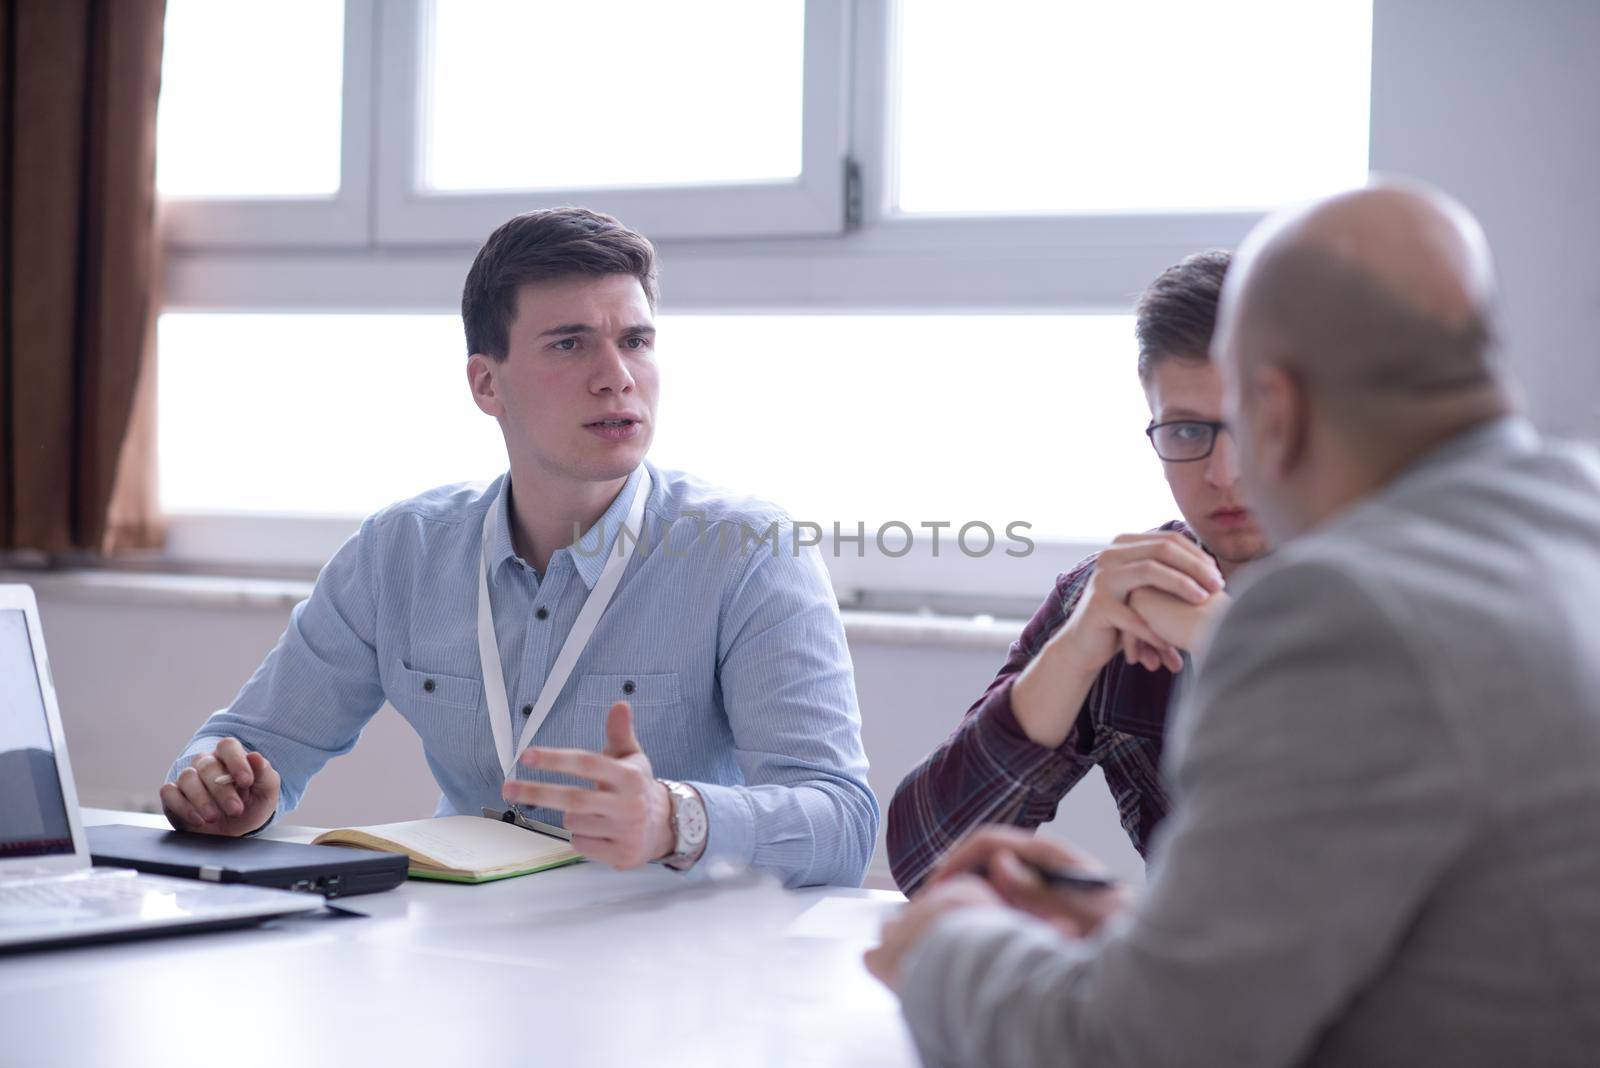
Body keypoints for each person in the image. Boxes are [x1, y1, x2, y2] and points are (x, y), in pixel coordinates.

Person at [866, 180, 1600, 1065]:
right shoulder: (1570, 522)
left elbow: (1137, 1048)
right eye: (1182, 433)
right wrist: (1141, 925)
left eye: (1237, 424)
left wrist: (949, 947)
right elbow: (1427, 924)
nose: (1221, 474)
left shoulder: (1339, 616)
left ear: (1278, 414)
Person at [159, 207, 879, 888]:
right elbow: (250, 743)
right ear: (485, 383)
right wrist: (219, 788)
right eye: (570, 343)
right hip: (460, 948)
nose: (616, 375)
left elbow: (845, 823)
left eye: (635, 340)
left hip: (663, 957)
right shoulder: (399, 551)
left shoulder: (750, 553)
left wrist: (674, 819)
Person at [886, 250, 1268, 894]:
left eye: (1251, 426)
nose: (1223, 472)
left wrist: (1235, 643)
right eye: (1184, 431)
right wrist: (1074, 650)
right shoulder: (1121, 593)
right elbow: (928, 864)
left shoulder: (1399, 586)